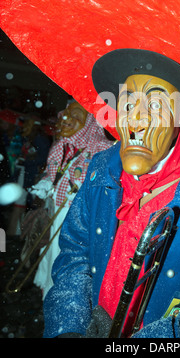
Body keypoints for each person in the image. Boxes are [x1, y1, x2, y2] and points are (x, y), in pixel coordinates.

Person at [43, 49, 180, 338]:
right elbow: (74, 256)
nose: (137, 120)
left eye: (156, 104)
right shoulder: (99, 171)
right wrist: (68, 327)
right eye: (128, 103)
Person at [23, 100, 113, 298]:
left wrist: (84, 190)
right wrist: (47, 184)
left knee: (65, 256)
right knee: (49, 252)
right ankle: (48, 291)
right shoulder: (63, 145)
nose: (66, 119)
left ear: (90, 122)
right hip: (56, 210)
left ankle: (62, 296)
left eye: (76, 116)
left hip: (77, 218)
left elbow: (104, 186)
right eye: (66, 114)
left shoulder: (102, 149)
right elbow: (53, 171)